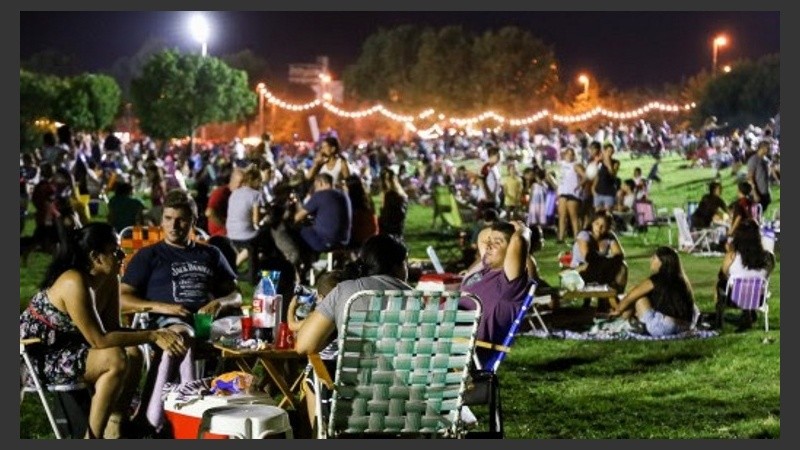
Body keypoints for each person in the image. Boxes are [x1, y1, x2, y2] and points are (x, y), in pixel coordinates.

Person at [20, 222, 186, 439]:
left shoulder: (110, 278)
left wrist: (149, 336)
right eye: (116, 251)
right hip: (37, 355)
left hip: (71, 346)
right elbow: (100, 340)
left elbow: (112, 329)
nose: (122, 256)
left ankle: (115, 422)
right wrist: (153, 335)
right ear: (96, 257)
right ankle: (93, 437)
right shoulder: (73, 281)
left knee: (132, 352)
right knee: (114, 358)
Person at [119, 189, 241, 436]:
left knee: (250, 336)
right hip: (168, 322)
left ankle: (153, 419)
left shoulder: (210, 253)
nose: (173, 225)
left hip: (208, 322)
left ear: (193, 222)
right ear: (161, 219)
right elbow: (122, 298)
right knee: (181, 336)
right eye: (168, 218)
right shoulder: (149, 255)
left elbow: (236, 295)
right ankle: (181, 415)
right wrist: (160, 306)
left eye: (181, 219)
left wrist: (220, 303)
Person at [459, 220, 531, 366]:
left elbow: (518, 240)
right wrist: (502, 228)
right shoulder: (485, 268)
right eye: (490, 242)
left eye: (497, 243)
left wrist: (524, 230)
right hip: (443, 335)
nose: (489, 246)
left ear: (510, 250)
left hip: (463, 351)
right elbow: (482, 235)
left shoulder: (509, 282)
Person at [610, 246, 699, 337]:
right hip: (686, 327)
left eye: (654, 258)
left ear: (662, 262)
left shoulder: (657, 279)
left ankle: (621, 323)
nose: (651, 260)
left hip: (664, 327)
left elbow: (631, 296)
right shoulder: (682, 280)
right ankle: (627, 322)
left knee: (638, 296)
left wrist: (618, 310)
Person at [714, 218, 775, 330]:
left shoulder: (732, 255)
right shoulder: (768, 258)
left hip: (734, 300)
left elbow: (723, 273)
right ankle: (748, 315)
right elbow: (767, 275)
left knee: (721, 283)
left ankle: (719, 321)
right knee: (752, 285)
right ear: (758, 236)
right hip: (757, 299)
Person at [569, 210, 628, 304]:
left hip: (598, 270)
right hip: (580, 270)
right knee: (606, 267)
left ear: (608, 227)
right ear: (592, 223)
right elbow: (588, 257)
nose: (599, 228)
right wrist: (608, 261)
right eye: (597, 223)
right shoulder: (584, 235)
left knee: (622, 267)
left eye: (603, 226)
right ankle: (610, 301)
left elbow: (619, 255)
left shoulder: (609, 237)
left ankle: (614, 296)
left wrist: (610, 262)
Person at [293, 172, 352, 263]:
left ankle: (305, 263)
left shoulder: (320, 195)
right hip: (344, 240)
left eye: (315, 187)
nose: (315, 190)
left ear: (320, 183)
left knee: (299, 230)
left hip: (326, 242)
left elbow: (297, 217)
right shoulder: (343, 194)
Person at [555, 147, 586, 243]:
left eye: (572, 154)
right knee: (562, 216)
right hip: (563, 192)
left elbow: (585, 176)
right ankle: (561, 237)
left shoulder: (576, 165)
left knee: (574, 216)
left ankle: (577, 237)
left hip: (573, 193)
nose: (569, 156)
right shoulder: (562, 164)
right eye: (568, 154)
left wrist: (579, 186)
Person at [377, 167, 408, 239]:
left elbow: (387, 217)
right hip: (398, 231)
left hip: (389, 232)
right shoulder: (401, 194)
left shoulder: (390, 195)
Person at [747, 140, 773, 216]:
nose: (770, 149)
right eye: (768, 148)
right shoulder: (753, 160)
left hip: (766, 192)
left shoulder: (766, 160)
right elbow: (750, 177)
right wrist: (754, 193)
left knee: (761, 214)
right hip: (757, 193)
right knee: (755, 215)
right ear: (762, 148)